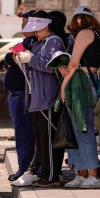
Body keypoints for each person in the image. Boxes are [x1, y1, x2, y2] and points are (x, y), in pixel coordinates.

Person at [16, 10, 66, 188]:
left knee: (49, 140)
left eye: (37, 30)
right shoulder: (41, 42)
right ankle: (45, 173)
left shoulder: (53, 41)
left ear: (46, 26)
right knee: (41, 141)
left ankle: (52, 175)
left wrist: (31, 58)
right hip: (36, 98)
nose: (34, 33)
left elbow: (50, 64)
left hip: (48, 98)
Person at [58, 6, 100, 188]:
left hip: (81, 84)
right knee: (78, 129)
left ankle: (92, 174)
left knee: (83, 129)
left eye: (78, 17)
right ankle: (82, 172)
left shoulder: (85, 33)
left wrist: (63, 85)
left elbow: (75, 61)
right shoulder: (94, 35)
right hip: (84, 82)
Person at [4, 17, 36, 182]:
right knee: (23, 133)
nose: (22, 24)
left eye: (25, 21)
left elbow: (10, 59)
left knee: (24, 134)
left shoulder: (31, 43)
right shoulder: (27, 41)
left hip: (22, 94)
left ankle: (25, 168)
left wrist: (11, 58)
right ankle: (25, 167)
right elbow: (8, 58)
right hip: (17, 94)